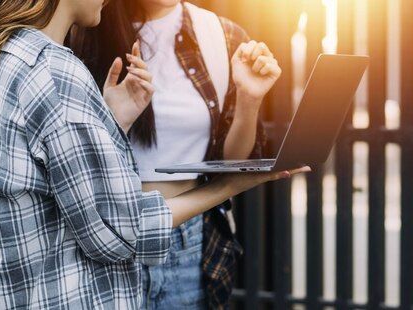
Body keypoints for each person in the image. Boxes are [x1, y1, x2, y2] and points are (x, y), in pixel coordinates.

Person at [0, 0, 308, 308]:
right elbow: (116, 232)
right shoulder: (64, 61)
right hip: (108, 251)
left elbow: (61, 168)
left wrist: (114, 121)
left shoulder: (16, 57)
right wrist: (228, 186)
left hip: (174, 241)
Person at [69, 0, 280, 308]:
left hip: (186, 243)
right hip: (104, 240)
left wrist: (249, 100)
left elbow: (232, 161)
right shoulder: (86, 28)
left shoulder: (221, 35)